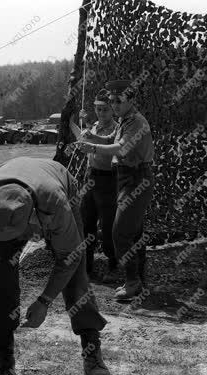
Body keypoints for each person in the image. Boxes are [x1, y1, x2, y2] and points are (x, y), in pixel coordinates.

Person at [0, 156, 113, 375]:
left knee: (76, 277)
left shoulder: (56, 204)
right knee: (1, 273)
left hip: (57, 184)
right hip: (16, 191)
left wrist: (45, 301)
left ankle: (93, 357)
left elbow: (69, 257)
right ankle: (2, 358)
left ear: (31, 220)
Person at [77, 79, 154, 302]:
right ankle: (138, 278)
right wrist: (93, 137)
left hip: (137, 179)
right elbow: (111, 139)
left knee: (120, 233)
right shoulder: (125, 120)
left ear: (131, 100)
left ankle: (132, 282)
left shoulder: (136, 122)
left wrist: (92, 147)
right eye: (112, 101)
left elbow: (121, 149)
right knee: (134, 232)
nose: (114, 105)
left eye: (118, 101)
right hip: (126, 178)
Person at [81, 89, 120, 283]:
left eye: (105, 109)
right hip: (90, 177)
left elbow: (110, 142)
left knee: (108, 225)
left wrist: (90, 138)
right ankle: (87, 266)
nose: (101, 113)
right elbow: (88, 141)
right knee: (86, 221)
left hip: (107, 179)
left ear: (112, 110)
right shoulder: (94, 125)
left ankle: (114, 265)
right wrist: (85, 132)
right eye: (98, 109)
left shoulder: (116, 128)